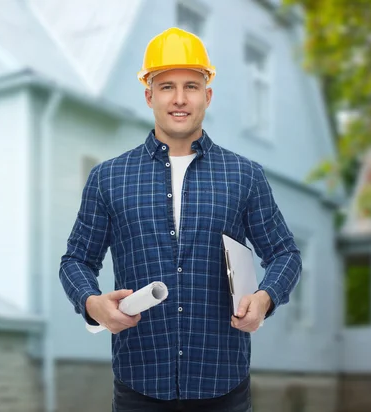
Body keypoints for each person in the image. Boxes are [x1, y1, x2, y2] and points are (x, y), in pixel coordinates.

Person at [59, 27, 302, 412]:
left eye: (191, 85)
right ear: (148, 94)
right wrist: (92, 303)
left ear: (207, 94)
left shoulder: (244, 175)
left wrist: (265, 298)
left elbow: (285, 254)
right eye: (167, 86)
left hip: (223, 384)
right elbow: (76, 260)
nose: (179, 98)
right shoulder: (108, 178)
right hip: (139, 382)